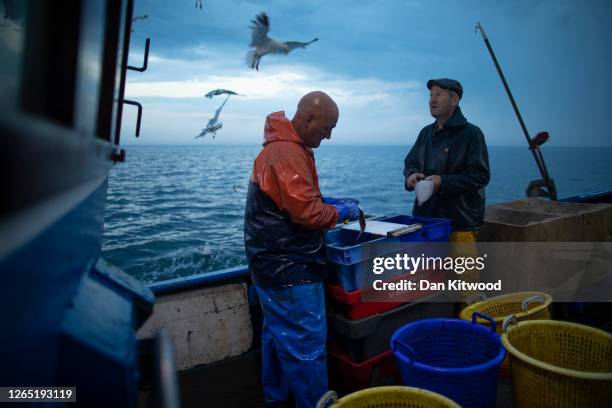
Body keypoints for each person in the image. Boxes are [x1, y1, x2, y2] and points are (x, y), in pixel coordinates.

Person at [244, 91, 360, 407]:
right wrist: (343, 212)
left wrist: (326, 201)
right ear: (309, 119)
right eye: (327, 127)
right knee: (307, 346)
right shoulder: (287, 154)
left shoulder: (281, 148)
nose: (329, 135)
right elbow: (308, 214)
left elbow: (293, 201)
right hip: (290, 272)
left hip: (268, 270)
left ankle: (278, 400)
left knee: (278, 341)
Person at [403, 78, 490, 243]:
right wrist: (411, 175)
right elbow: (410, 162)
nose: (432, 100)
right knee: (429, 269)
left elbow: (480, 176)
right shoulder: (425, 133)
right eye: (430, 95)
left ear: (454, 100)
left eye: (439, 95)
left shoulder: (471, 134)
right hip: (426, 223)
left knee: (462, 269)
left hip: (459, 225)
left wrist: (442, 182)